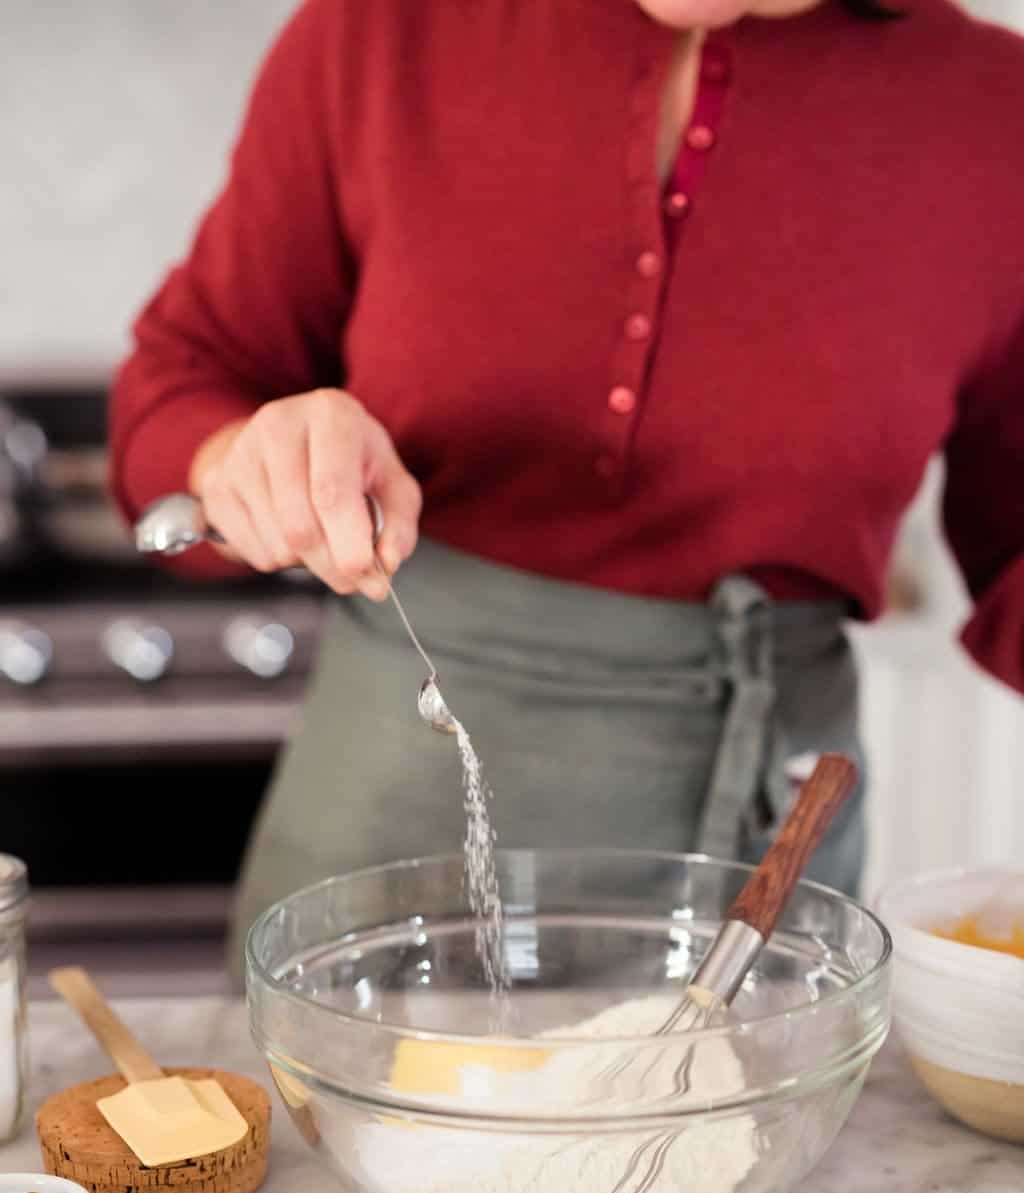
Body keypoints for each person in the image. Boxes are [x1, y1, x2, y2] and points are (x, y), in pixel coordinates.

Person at [111, 0, 1024, 975]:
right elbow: (181, 385)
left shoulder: (994, 113)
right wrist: (236, 460)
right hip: (379, 858)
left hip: (761, 880)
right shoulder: (381, 31)